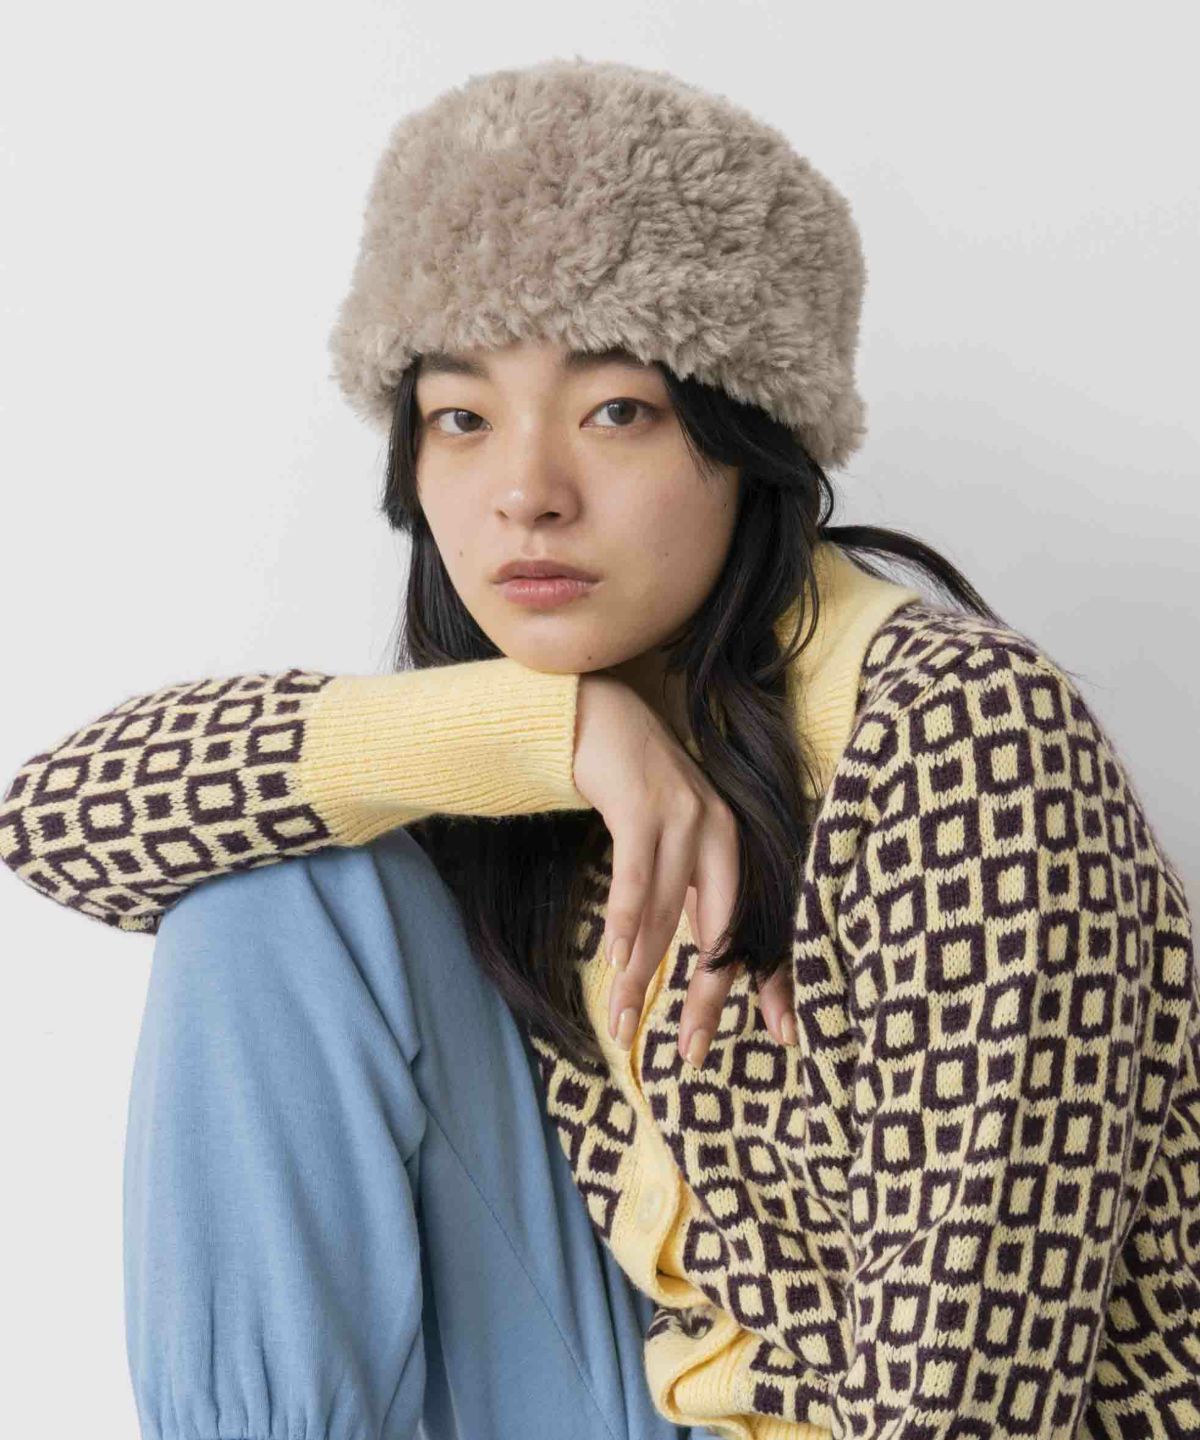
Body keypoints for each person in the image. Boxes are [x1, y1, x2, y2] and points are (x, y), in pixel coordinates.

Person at [2, 56, 1197, 1440]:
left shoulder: (960, 733)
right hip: (631, 1397)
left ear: (748, 436)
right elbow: (54, 824)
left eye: (616, 410)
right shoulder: (544, 738)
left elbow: (974, 1401)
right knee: (277, 883)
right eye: (461, 418)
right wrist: (551, 728)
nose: (526, 493)